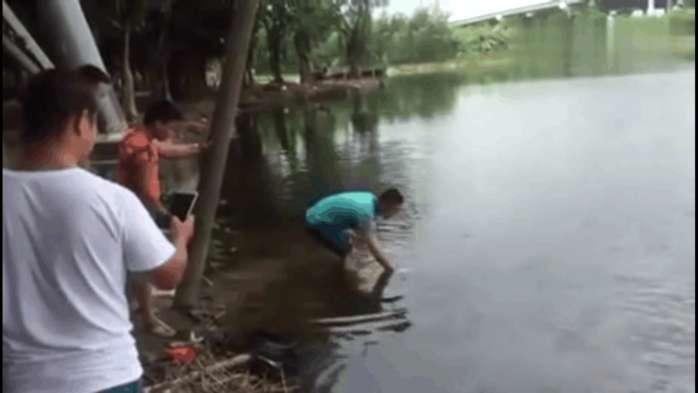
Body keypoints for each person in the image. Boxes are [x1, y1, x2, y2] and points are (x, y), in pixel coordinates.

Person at [2, 65, 195, 393]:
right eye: (94, 122)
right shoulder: (111, 200)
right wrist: (181, 239)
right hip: (106, 376)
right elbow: (167, 275)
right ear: (80, 122)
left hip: (24, 381)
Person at [117, 100, 205, 337]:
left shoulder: (136, 139)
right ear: (158, 123)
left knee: (135, 261)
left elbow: (165, 150)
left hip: (129, 205)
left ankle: (141, 300)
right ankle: (149, 318)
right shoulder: (144, 151)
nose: (173, 134)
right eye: (172, 128)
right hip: (142, 208)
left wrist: (196, 148)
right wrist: (163, 212)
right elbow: (146, 189)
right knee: (149, 258)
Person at [305, 188, 404, 271]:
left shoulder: (369, 198)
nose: (396, 213)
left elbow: (361, 228)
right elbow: (374, 248)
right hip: (316, 221)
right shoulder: (366, 213)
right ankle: (338, 281)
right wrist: (390, 269)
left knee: (357, 239)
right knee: (346, 251)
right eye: (396, 209)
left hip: (316, 212)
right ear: (387, 205)